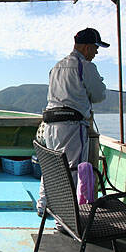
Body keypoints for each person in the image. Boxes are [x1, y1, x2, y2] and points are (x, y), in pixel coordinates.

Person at [37, 27, 108, 216]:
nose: (96, 52)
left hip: (49, 125)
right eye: (95, 47)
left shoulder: (57, 66)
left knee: (53, 166)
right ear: (86, 47)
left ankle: (43, 206)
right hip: (71, 126)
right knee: (73, 171)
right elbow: (99, 95)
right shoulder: (85, 66)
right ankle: (64, 218)